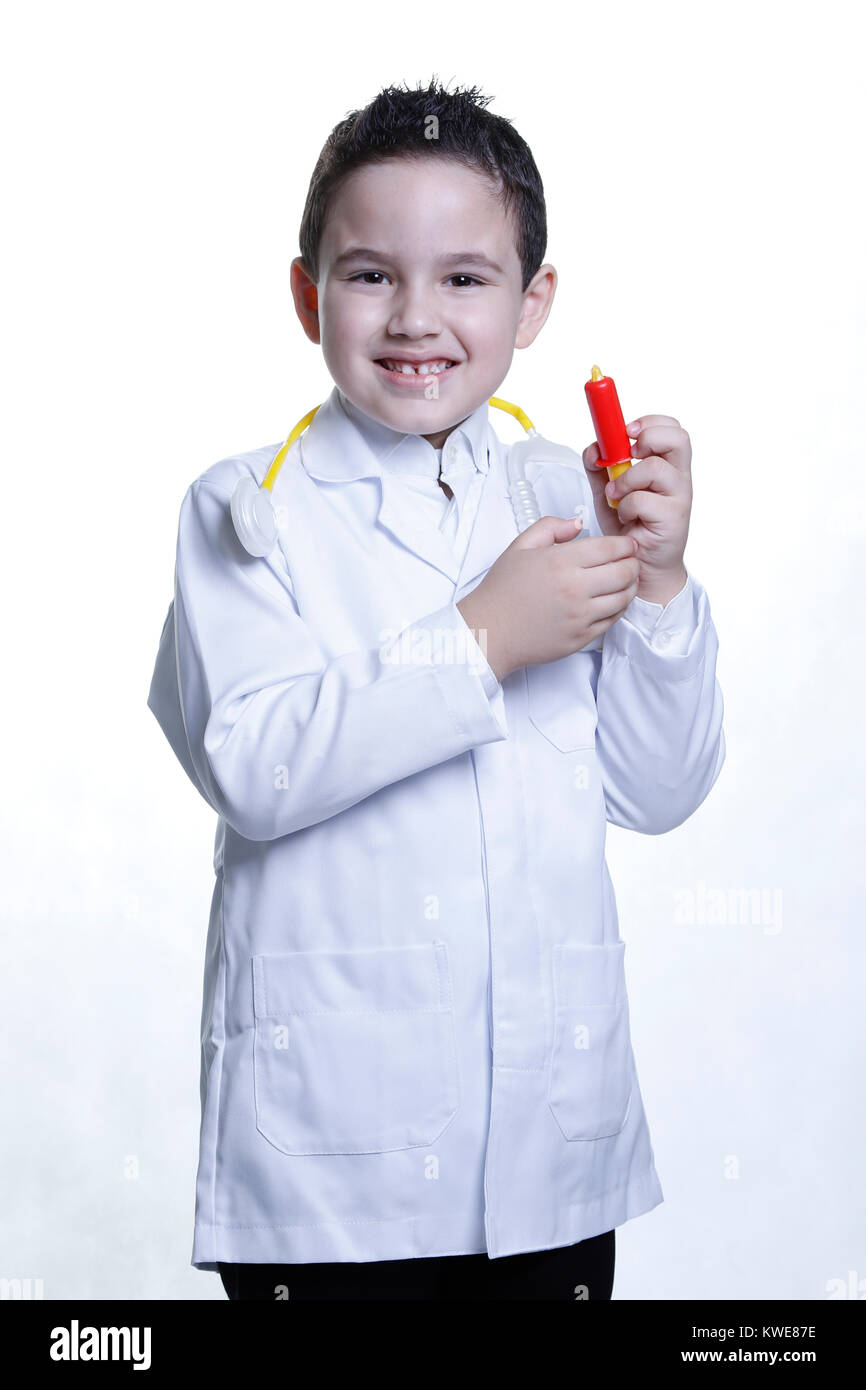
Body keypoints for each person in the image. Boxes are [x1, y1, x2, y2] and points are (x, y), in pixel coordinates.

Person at [147, 78, 725, 1301]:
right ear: (309, 296)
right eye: (368, 275)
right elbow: (256, 762)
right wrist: (479, 638)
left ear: (533, 304)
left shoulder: (562, 494)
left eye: (465, 277)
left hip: (547, 1173)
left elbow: (657, 787)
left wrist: (661, 583)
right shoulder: (247, 508)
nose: (415, 316)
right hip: (329, 1191)